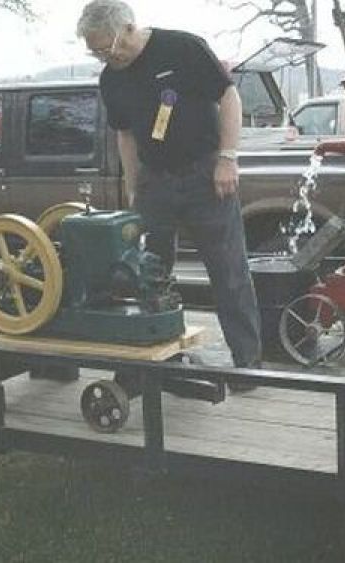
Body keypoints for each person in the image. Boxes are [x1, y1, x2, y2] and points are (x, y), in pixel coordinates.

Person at [76, 0, 262, 378]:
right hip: (155, 182)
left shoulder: (182, 48)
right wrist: (133, 188)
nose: (106, 58)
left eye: (108, 48)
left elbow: (229, 97)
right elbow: (125, 135)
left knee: (228, 272)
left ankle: (248, 364)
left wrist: (227, 159)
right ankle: (161, 362)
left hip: (206, 175)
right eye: (96, 53)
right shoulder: (111, 79)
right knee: (147, 273)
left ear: (129, 28)